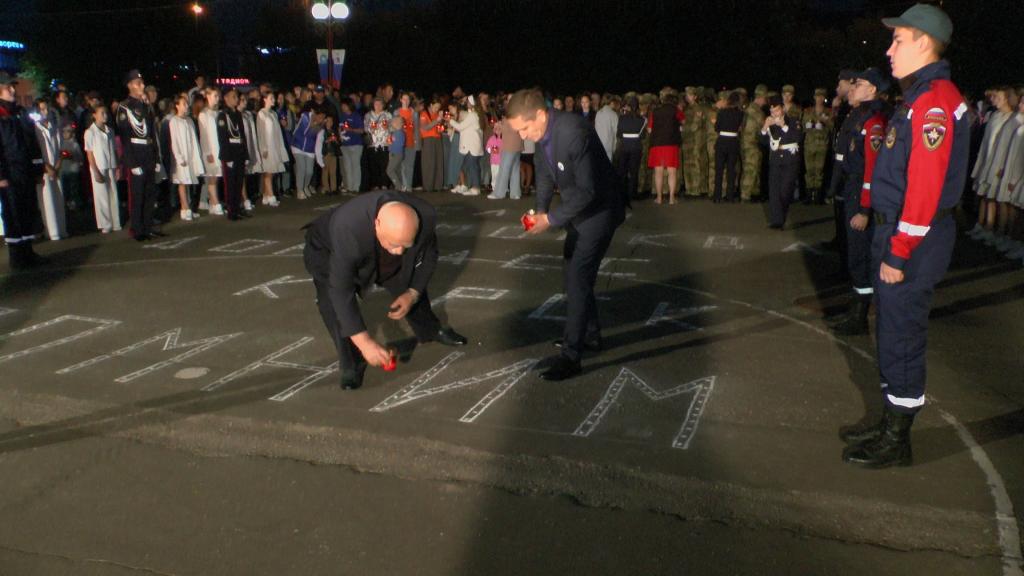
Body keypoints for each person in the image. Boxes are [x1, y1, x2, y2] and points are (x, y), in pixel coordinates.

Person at [842, 3, 968, 469]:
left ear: (924, 42)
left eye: (898, 40)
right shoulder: (921, 97)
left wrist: (898, 251)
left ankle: (897, 439)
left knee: (901, 336)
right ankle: (888, 421)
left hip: (913, 239)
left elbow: (924, 190)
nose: (889, 50)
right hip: (901, 232)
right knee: (891, 331)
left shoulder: (933, 101)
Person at [506, 88, 628, 381]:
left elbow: (587, 190)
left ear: (540, 115)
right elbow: (544, 175)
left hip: (601, 209)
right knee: (573, 272)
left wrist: (551, 219)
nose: (523, 135)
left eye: (524, 128)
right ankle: (590, 335)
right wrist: (539, 210)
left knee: (577, 277)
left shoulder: (574, 132)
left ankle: (572, 357)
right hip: (579, 209)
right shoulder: (542, 135)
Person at [302, 191, 468, 390]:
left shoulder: (425, 216)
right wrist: (364, 342)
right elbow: (341, 290)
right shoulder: (348, 227)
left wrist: (412, 293)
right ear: (377, 224)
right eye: (394, 244)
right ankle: (352, 362)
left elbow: (429, 256)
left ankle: (430, 329)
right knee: (332, 304)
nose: (399, 251)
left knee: (405, 278)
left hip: (374, 242)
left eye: (406, 245)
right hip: (327, 251)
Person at [830, 68, 891, 336]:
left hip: (861, 194)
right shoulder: (859, 115)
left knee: (860, 254)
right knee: (855, 253)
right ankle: (857, 307)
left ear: (873, 90)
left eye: (860, 84)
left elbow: (872, 170)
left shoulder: (874, 120)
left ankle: (860, 316)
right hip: (852, 187)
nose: (853, 88)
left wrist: (865, 210)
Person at [0, 72, 46, 268]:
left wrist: (38, 168)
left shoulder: (20, 112)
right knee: (12, 213)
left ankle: (28, 252)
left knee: (28, 210)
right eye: (7, 87)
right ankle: (17, 256)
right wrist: (1, 175)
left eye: (13, 86)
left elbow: (32, 142)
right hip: (9, 173)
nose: (12, 90)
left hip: (25, 170)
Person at [116, 70, 164, 241]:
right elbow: (125, 138)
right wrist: (131, 162)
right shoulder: (125, 107)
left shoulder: (146, 105)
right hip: (136, 153)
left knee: (150, 193)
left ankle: (148, 226)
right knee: (137, 194)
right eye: (138, 83)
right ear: (130, 85)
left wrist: (156, 157)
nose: (142, 86)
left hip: (148, 152)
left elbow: (151, 133)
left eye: (142, 83)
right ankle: (137, 229)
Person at [760, 94, 802, 229]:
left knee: (785, 191)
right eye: (772, 111)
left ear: (783, 108)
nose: (774, 114)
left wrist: (783, 126)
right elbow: (762, 142)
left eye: (777, 110)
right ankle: (777, 221)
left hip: (790, 160)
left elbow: (797, 137)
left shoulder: (793, 120)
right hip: (775, 160)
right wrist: (765, 127)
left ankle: (781, 215)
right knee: (774, 191)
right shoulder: (770, 123)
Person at [33, 99, 67, 241]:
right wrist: (47, 167)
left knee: (59, 198)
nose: (45, 112)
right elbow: (36, 151)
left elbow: (61, 147)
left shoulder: (54, 127)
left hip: (56, 166)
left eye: (46, 109)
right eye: (42, 109)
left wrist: (58, 164)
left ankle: (62, 229)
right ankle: (52, 232)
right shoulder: (35, 129)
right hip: (45, 169)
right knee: (47, 201)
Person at [84, 104, 121, 233]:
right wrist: (95, 171)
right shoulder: (90, 132)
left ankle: (116, 222)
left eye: (106, 113)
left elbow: (114, 150)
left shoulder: (110, 130)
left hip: (111, 165)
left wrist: (117, 167)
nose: (105, 116)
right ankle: (106, 224)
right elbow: (89, 153)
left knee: (113, 194)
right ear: (94, 115)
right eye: (102, 113)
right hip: (99, 166)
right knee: (101, 196)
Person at [168, 94, 205, 222]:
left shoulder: (189, 120)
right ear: (177, 105)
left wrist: (196, 156)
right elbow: (174, 141)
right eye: (183, 104)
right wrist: (179, 157)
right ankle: (184, 208)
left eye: (187, 103)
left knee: (189, 180)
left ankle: (188, 207)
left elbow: (193, 139)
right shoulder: (174, 121)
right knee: (182, 181)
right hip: (181, 156)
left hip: (190, 155)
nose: (186, 106)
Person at [646, 89, 684, 204]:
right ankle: (672, 198)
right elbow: (683, 122)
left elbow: (649, 129)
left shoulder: (655, 111)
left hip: (657, 145)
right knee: (672, 172)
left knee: (659, 172)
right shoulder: (676, 111)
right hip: (671, 144)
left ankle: (659, 198)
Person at [217, 88, 249, 221]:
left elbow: (242, 136)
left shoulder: (237, 114)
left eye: (236, 97)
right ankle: (232, 211)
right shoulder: (222, 116)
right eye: (233, 97)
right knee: (230, 184)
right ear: (226, 98)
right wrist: (227, 157)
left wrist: (246, 155)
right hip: (230, 153)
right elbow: (223, 138)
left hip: (239, 152)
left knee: (239, 182)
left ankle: (237, 208)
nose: (236, 99)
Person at [802, 88, 834, 203]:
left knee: (819, 170)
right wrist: (808, 126)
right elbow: (802, 127)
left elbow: (832, 127)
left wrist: (825, 122)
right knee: (809, 170)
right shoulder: (808, 111)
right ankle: (809, 195)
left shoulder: (828, 112)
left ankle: (818, 195)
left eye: (821, 96)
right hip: (809, 145)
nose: (819, 99)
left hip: (822, 145)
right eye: (817, 96)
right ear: (814, 97)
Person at [197, 87, 226, 215]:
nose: (217, 98)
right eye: (215, 96)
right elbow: (204, 135)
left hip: (219, 148)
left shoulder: (217, 113)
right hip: (210, 150)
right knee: (211, 177)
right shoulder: (204, 114)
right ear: (208, 96)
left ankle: (213, 203)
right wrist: (208, 152)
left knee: (217, 176)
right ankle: (214, 202)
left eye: (218, 96)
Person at [257, 92, 287, 206]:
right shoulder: (261, 113)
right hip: (267, 147)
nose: (273, 100)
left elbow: (277, 131)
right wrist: (263, 148)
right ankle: (271, 196)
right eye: (271, 98)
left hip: (275, 145)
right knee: (268, 172)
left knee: (273, 171)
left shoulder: (273, 113)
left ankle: (266, 195)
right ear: (265, 99)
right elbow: (261, 132)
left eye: (273, 98)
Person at [449, 96, 484, 196]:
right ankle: (466, 185)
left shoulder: (473, 115)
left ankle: (475, 188)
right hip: (471, 145)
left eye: (468, 102)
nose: (466, 103)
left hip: (471, 145)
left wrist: (450, 120)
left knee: (473, 167)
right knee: (466, 165)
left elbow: (460, 127)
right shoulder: (474, 114)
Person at [713, 91, 744, 203]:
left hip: (722, 140)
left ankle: (717, 196)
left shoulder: (722, 112)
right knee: (731, 170)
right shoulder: (740, 113)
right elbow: (741, 128)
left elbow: (716, 128)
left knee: (719, 170)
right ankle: (730, 196)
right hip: (733, 141)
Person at [740, 85, 767, 202]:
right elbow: (763, 128)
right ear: (761, 97)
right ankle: (746, 194)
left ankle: (753, 193)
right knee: (751, 169)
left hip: (746, 143)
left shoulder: (748, 108)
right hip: (752, 144)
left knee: (751, 168)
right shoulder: (757, 112)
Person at [681, 86, 709, 198]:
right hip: (687, 139)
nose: (687, 97)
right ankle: (689, 188)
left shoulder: (698, 108)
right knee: (687, 164)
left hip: (696, 140)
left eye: (690, 95)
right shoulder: (686, 108)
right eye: (687, 95)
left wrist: (684, 128)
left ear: (695, 96)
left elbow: (694, 127)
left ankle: (696, 189)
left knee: (696, 164)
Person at [616, 96, 645, 200]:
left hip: (624, 146)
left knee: (622, 171)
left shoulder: (621, 118)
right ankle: (632, 193)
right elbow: (643, 136)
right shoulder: (642, 119)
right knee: (634, 172)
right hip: (636, 147)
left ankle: (621, 193)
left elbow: (619, 134)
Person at [418, 97, 445, 192]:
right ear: (431, 105)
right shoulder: (424, 114)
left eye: (438, 107)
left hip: (437, 139)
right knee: (429, 163)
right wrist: (436, 120)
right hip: (428, 139)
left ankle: (438, 186)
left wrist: (441, 125)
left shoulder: (437, 115)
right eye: (436, 107)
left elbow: (439, 128)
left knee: (438, 162)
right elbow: (424, 127)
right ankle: (428, 186)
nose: (437, 109)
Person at [316, 114, 342, 195]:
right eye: (328, 121)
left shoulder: (333, 131)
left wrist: (336, 140)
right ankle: (326, 188)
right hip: (326, 153)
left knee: (333, 172)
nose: (330, 122)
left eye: (331, 121)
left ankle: (334, 188)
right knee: (325, 171)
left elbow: (338, 143)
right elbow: (320, 143)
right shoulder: (322, 131)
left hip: (333, 153)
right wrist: (328, 140)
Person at [594, 93, 619, 162]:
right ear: (611, 102)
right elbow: (616, 132)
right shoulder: (613, 114)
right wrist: (614, 147)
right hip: (608, 146)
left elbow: (595, 130)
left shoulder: (598, 113)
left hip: (598, 145)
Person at [385, 116, 406, 190]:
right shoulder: (396, 133)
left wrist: (390, 146)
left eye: (393, 121)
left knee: (389, 171)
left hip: (396, 154)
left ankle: (399, 186)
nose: (392, 123)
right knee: (397, 170)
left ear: (398, 123)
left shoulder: (399, 133)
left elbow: (398, 145)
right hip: (397, 154)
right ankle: (400, 186)